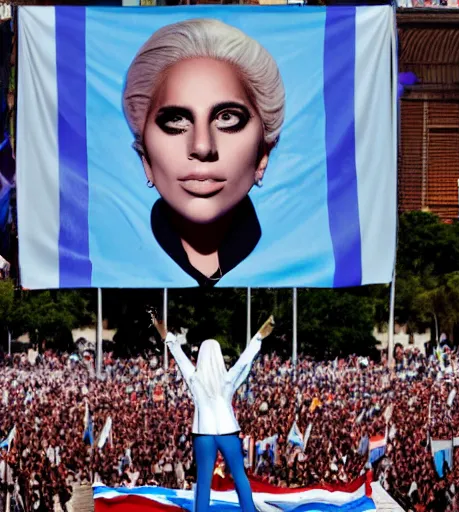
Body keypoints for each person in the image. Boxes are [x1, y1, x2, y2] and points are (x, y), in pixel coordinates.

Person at [123, 19, 286, 287]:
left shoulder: (291, 259)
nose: (202, 147)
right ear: (146, 159)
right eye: (176, 120)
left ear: (263, 154)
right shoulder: (117, 259)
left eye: (227, 118)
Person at [164, 316, 275, 512]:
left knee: (204, 480)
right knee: (239, 476)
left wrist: (169, 338)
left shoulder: (195, 378)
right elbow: (243, 362)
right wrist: (258, 338)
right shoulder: (227, 379)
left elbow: (180, 358)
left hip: (203, 433)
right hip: (228, 431)